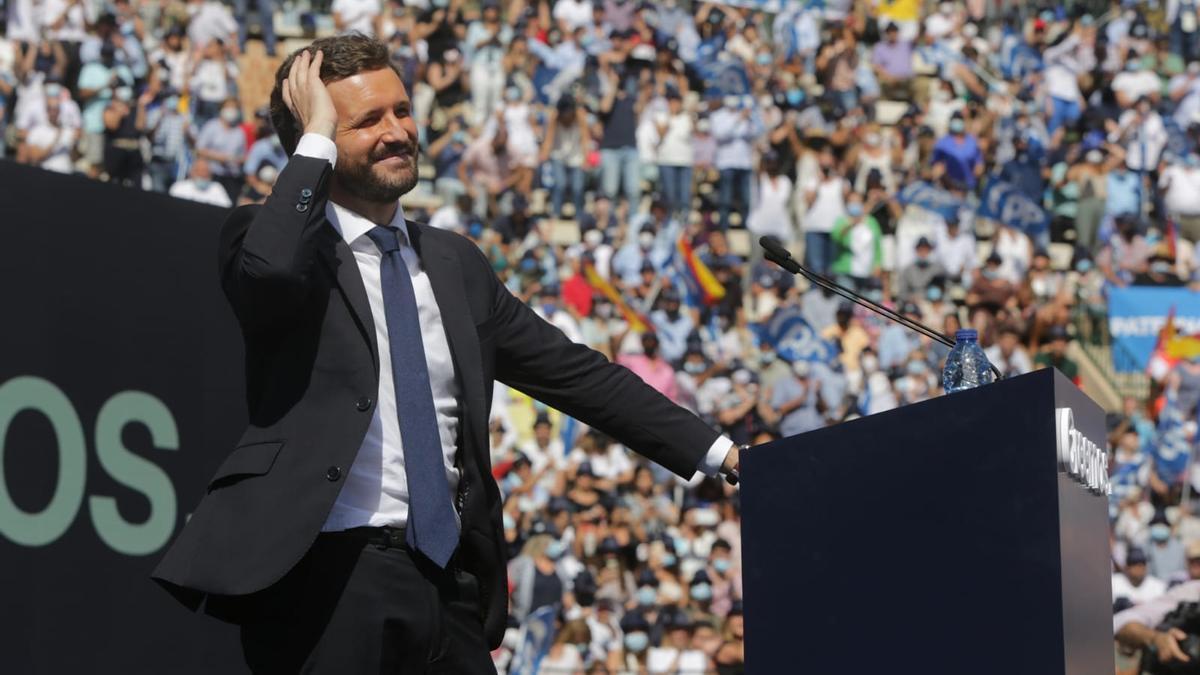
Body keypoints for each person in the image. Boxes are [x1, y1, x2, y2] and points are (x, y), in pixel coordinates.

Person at [151, 35, 742, 674]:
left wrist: (720, 453)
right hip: (325, 584)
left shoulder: (455, 263)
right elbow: (267, 274)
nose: (397, 131)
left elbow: (574, 374)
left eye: (402, 110)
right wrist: (314, 139)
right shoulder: (278, 242)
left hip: (447, 582)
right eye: (366, 120)